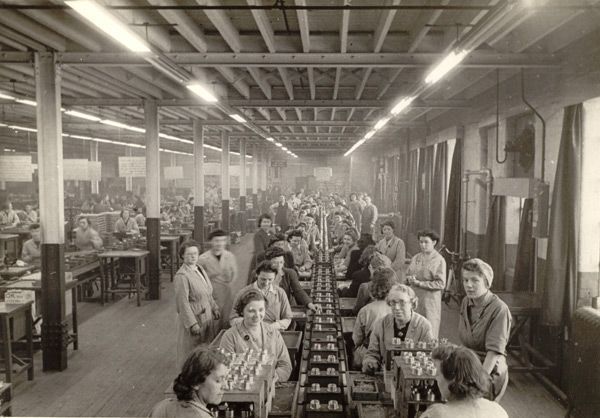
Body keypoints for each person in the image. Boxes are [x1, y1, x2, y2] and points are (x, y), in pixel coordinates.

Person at [458, 258, 512, 401]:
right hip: (470, 366)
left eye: (475, 280)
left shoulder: (499, 309)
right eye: (465, 280)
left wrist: (477, 384)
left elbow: (493, 353)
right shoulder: (466, 302)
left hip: (488, 371)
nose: (469, 285)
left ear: (487, 283)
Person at [220, 288, 292, 382]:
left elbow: (285, 365)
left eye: (261, 310)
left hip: (271, 387)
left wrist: (275, 376)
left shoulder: (273, 332)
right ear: (242, 312)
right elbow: (224, 370)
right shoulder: (230, 336)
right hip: (243, 391)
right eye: (251, 311)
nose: (257, 315)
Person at [362, 284, 434, 373]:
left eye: (402, 303)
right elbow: (372, 353)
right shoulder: (381, 324)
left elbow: (428, 358)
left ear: (412, 303)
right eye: (393, 303)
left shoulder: (424, 326)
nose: (396, 308)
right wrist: (370, 363)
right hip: (386, 375)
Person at [421, 345, 508, 418]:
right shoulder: (498, 410)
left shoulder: (436, 414)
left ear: (453, 379)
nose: (436, 379)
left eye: (438, 374)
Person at [174, 241, 221, 369]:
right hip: (194, 318)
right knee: (191, 352)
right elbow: (182, 303)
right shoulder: (182, 276)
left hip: (206, 315)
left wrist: (214, 307)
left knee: (205, 349)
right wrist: (192, 323)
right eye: (189, 254)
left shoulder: (199, 269)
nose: (193, 256)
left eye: (195, 253)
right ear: (182, 256)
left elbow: (207, 292)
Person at [150, 347, 229, 418]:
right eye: (218, 380)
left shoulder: (161, 407)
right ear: (196, 382)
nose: (226, 386)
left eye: (225, 379)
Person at [406, 230, 446, 338]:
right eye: (421, 242)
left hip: (430, 301)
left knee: (429, 331)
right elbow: (408, 273)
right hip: (415, 299)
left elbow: (441, 284)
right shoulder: (416, 258)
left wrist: (419, 283)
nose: (423, 245)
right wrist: (409, 279)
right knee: (414, 330)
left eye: (426, 242)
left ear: (434, 242)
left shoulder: (439, 260)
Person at [230, 261, 292, 330]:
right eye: (263, 279)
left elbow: (287, 318)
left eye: (270, 279)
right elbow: (233, 319)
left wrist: (274, 326)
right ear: (257, 275)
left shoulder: (280, 293)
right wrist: (250, 324)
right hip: (249, 331)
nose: (266, 283)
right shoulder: (243, 293)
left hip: (273, 331)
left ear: (275, 277)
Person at [352, 270, 394, 369]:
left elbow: (356, 339)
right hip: (391, 357)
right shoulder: (396, 309)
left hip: (369, 355)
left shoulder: (366, 310)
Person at [198, 230, 238, 331]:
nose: (219, 244)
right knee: (211, 324)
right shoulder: (202, 259)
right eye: (216, 241)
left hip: (227, 295)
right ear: (211, 242)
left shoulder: (230, 256)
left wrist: (230, 287)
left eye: (222, 241)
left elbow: (234, 274)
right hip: (211, 296)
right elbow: (198, 279)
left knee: (227, 322)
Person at [263, 247, 319, 313]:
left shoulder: (289, 273)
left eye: (281, 262)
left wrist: (310, 304)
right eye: (275, 263)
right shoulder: (259, 275)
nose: (279, 266)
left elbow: (298, 291)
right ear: (267, 263)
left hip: (285, 308)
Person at [248, 214, 274, 283]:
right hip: (261, 260)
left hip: (270, 259)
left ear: (271, 223)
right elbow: (260, 252)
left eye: (268, 222)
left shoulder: (271, 233)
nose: (266, 224)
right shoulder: (258, 235)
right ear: (260, 223)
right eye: (264, 222)